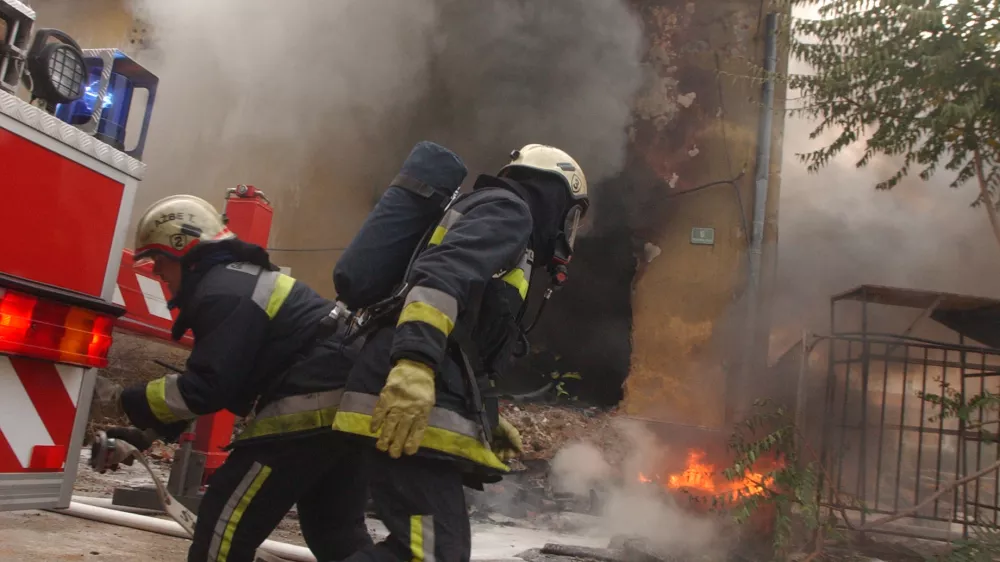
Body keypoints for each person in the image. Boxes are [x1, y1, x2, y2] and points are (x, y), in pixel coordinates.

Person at [332, 144, 589, 562]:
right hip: (406, 396)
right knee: (432, 552)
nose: (568, 230)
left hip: (413, 395)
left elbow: (466, 336)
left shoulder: (499, 219)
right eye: (572, 216)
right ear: (554, 196)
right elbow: (441, 277)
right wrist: (414, 364)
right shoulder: (510, 211)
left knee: (432, 550)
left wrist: (487, 416)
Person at [96, 194, 371, 562]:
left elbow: (206, 388)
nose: (157, 272)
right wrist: (146, 434)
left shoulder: (222, 292)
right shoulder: (237, 281)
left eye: (159, 260)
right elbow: (228, 378)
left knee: (224, 526)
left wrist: (122, 399)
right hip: (348, 405)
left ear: (183, 248)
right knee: (335, 530)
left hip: (309, 401)